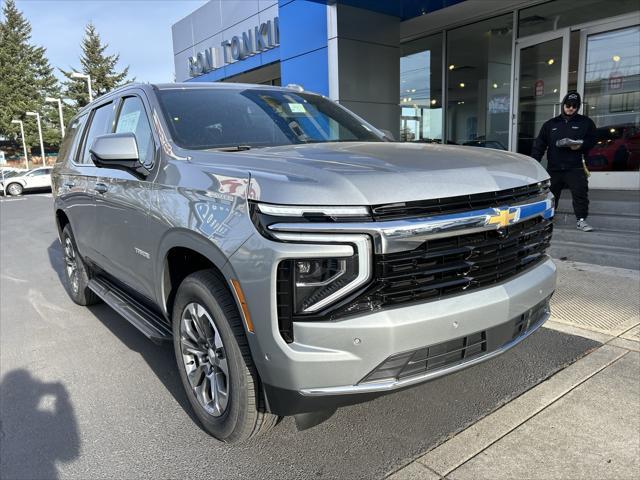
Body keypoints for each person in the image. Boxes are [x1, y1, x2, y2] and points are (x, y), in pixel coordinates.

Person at [531, 91, 597, 231]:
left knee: (580, 194)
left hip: (575, 167)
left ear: (578, 107)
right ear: (563, 105)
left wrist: (581, 145)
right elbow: (540, 144)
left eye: (574, 106)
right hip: (554, 167)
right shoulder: (551, 124)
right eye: (568, 105)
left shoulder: (586, 122)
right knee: (551, 196)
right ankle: (548, 219)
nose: (570, 108)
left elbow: (592, 140)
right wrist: (534, 163)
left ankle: (581, 220)